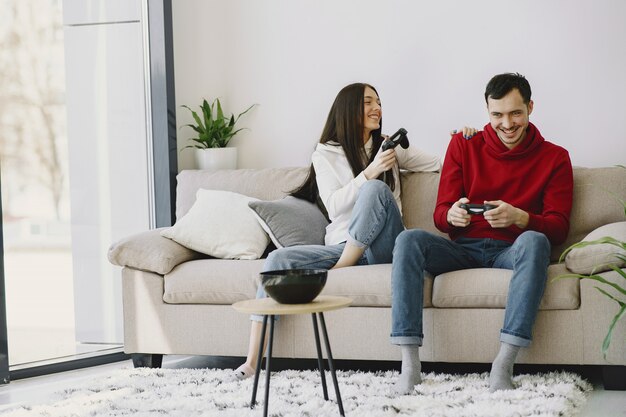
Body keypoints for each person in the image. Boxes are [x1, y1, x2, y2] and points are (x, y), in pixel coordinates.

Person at [232, 82, 475, 380]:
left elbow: (443, 164)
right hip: (342, 247)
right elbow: (333, 207)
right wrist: (370, 170)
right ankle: (253, 360)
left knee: (375, 190)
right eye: (368, 102)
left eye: (379, 102)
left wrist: (462, 141)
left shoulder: (390, 147)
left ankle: (342, 266)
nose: (377, 108)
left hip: (385, 247)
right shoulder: (325, 154)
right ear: (348, 109)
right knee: (276, 263)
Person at [389, 73, 574, 394]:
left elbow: (558, 228)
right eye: (497, 115)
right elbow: (439, 214)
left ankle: (504, 363)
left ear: (530, 107)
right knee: (408, 239)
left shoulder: (555, 157)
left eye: (516, 113)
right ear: (487, 112)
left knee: (536, 239)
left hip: (512, 250)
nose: (507, 124)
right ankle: (410, 365)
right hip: (462, 250)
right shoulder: (463, 144)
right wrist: (452, 215)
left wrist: (520, 217)